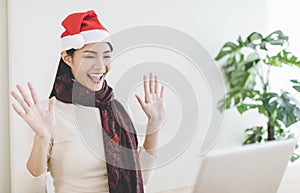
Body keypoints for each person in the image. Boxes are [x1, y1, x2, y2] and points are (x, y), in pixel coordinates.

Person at [11, 10, 165, 193]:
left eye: (106, 56)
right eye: (90, 56)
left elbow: (142, 176)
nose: (100, 66)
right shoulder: (47, 114)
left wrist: (154, 124)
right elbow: (30, 190)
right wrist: (42, 139)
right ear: (68, 58)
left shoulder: (116, 106)